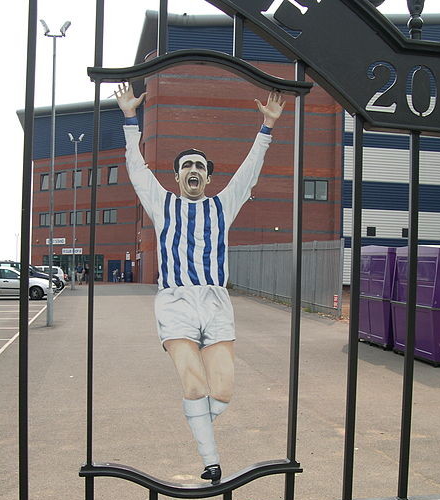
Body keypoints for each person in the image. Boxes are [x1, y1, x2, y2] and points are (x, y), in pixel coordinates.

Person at [115, 83, 285, 483]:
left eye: (200, 167)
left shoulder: (223, 205)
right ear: (176, 177)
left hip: (215, 301)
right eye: (186, 166)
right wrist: (129, 119)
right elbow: (137, 168)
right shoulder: (162, 203)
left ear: (208, 178)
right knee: (193, 383)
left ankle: (199, 425)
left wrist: (267, 127)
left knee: (222, 391)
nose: (194, 171)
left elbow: (248, 172)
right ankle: (211, 460)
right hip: (175, 301)